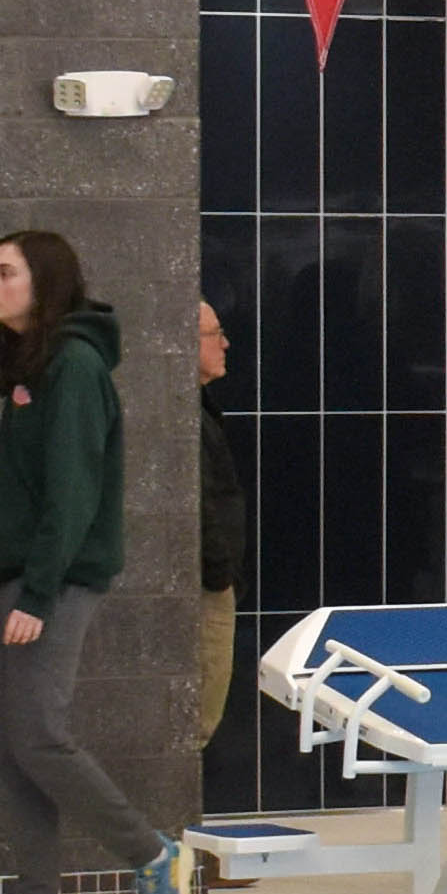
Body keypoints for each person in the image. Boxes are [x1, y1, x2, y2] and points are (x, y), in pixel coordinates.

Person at [0, 230, 185, 894]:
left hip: (48, 581)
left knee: (42, 739)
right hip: (22, 574)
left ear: (43, 282)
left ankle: (150, 853)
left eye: (4, 273)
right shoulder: (36, 362)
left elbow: (73, 492)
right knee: (17, 747)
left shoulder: (76, 367)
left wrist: (37, 594)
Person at [191, 290, 253, 750]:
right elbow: (203, 502)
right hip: (207, 585)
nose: (226, 344)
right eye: (215, 335)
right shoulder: (189, 419)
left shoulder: (200, 410)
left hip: (214, 578)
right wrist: (220, 574)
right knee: (201, 711)